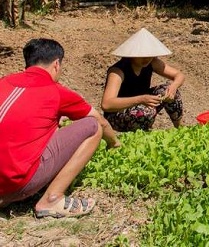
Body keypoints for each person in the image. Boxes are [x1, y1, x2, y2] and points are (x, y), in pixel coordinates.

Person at [0, 39, 121, 218]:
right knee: (92, 126)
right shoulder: (56, 91)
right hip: (16, 183)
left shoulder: (4, 82)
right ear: (56, 64)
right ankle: (52, 199)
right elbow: (100, 121)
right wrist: (115, 143)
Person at [101, 28, 185, 131]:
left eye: (149, 55)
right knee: (146, 112)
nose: (146, 59)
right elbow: (107, 104)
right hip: (117, 115)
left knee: (168, 90)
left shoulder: (152, 62)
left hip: (142, 105)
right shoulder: (117, 71)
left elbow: (179, 75)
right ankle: (141, 136)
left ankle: (180, 129)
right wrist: (140, 99)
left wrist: (173, 86)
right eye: (142, 56)